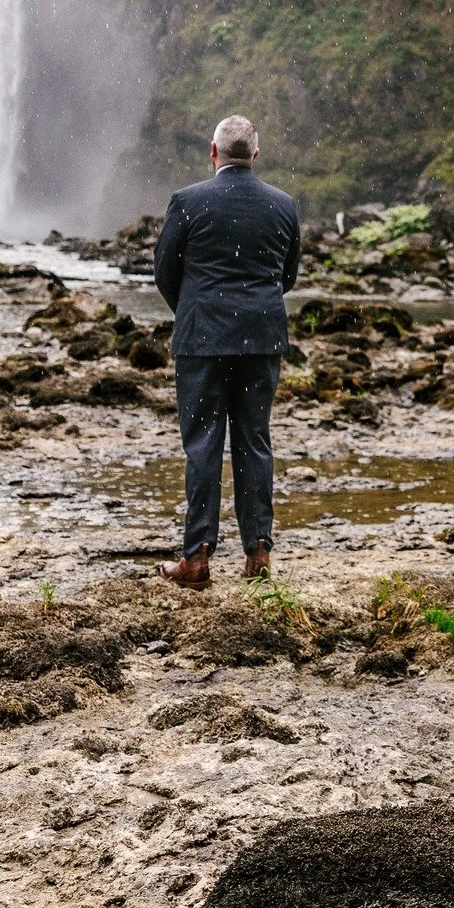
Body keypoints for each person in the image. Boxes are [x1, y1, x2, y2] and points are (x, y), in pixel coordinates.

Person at [153, 115, 301, 588]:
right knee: (254, 442)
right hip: (261, 340)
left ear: (212, 152)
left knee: (203, 446)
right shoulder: (283, 206)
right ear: (254, 157)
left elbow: (164, 273)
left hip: (202, 341)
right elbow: (287, 277)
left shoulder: (188, 202)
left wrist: (195, 311)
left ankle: (196, 559)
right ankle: (258, 554)